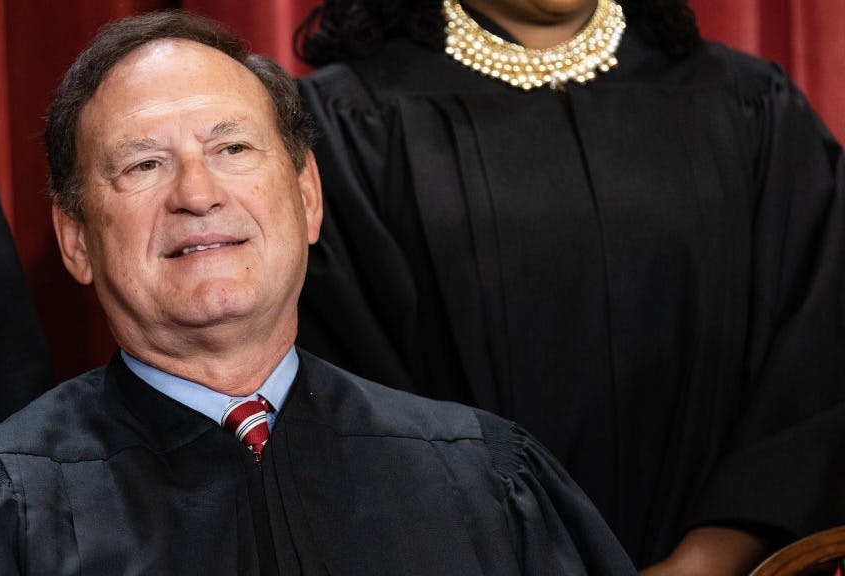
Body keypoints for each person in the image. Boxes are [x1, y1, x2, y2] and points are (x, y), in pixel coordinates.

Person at [0, 10, 636, 575]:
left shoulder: (488, 484)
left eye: (232, 148)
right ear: (76, 239)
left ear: (309, 198)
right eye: (144, 164)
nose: (197, 194)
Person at [294, 0, 845, 574]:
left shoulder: (747, 102)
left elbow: (817, 352)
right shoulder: (344, 125)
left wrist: (711, 558)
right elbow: (346, 395)